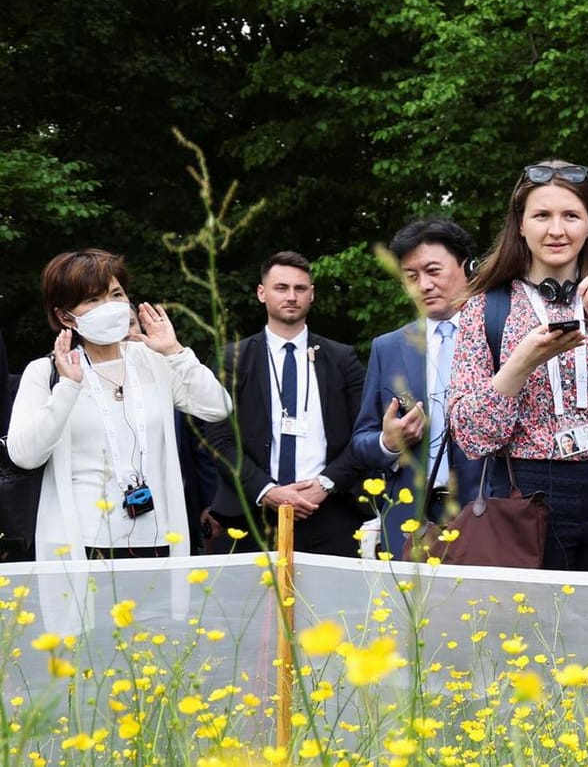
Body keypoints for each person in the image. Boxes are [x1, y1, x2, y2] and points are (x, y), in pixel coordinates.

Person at [448, 160, 588, 572]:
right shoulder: (487, 306)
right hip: (524, 491)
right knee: (535, 631)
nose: (556, 230)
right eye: (542, 215)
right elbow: (474, 436)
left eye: (571, 215)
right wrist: (520, 364)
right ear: (519, 225)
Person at [6, 249, 230, 561]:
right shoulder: (47, 372)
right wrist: (68, 388)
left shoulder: (153, 360)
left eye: (116, 294)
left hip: (159, 537)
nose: (110, 307)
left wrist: (176, 352)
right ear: (64, 315)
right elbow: (24, 454)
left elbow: (218, 407)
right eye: (93, 300)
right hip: (81, 543)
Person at [203, 251, 372, 556]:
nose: (291, 296)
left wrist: (326, 484)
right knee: (251, 605)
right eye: (281, 288)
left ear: (312, 294)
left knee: (332, 605)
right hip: (252, 513)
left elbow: (364, 435)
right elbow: (219, 439)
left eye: (300, 288)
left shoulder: (342, 359)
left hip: (331, 509)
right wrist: (269, 491)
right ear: (262, 293)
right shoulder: (232, 359)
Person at [350, 218, 486, 557]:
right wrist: (388, 442)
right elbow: (360, 443)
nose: (423, 285)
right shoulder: (389, 347)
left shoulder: (498, 334)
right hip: (410, 521)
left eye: (433, 271)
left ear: (468, 267)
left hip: (486, 514)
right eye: (411, 277)